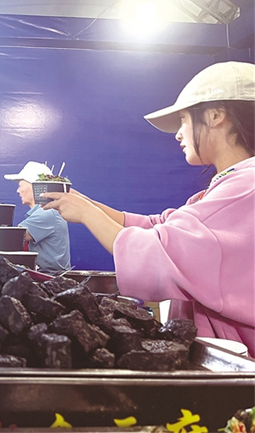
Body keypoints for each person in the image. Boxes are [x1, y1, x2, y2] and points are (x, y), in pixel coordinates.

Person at [42, 61, 255, 357]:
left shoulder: (246, 185)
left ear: (216, 115)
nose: (179, 134)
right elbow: (159, 226)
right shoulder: (233, 185)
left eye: (184, 120)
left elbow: (160, 248)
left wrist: (86, 213)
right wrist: (81, 201)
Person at [4, 161, 71, 274]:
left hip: (51, 279)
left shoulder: (47, 212)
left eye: (20, 186)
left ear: (34, 187)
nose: (18, 191)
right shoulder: (44, 212)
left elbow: (12, 238)